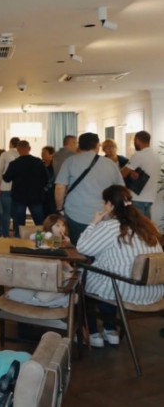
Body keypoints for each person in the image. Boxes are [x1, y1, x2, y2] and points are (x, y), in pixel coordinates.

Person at [77, 185, 164, 348]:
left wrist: (93, 223)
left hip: (127, 290)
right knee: (109, 273)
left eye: (104, 202)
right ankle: (110, 330)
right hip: (155, 291)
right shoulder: (148, 226)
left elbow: (83, 248)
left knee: (83, 278)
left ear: (110, 205)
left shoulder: (110, 226)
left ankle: (92, 333)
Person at [55, 133, 124, 244]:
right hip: (104, 215)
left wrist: (59, 208)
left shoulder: (70, 162)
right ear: (97, 145)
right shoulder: (110, 164)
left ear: (80, 145)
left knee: (77, 246)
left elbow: (59, 187)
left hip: (76, 213)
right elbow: (121, 189)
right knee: (100, 246)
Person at [3, 140, 47, 237]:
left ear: (18, 150)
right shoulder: (38, 162)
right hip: (36, 196)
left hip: (19, 197)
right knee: (39, 222)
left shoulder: (14, 164)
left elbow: (6, 178)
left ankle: (19, 240)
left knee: (19, 223)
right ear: (29, 148)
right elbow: (46, 178)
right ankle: (42, 239)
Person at [121, 131, 158, 218]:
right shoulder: (156, 156)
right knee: (145, 224)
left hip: (136, 198)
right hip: (150, 198)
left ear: (137, 140)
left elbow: (123, 174)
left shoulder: (139, 155)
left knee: (134, 223)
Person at [0, 137, 20, 237]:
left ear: (10, 144)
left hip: (5, 187)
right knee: (17, 214)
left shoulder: (5, 155)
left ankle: (5, 235)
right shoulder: (21, 155)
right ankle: (17, 234)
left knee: (6, 213)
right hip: (18, 189)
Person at [41, 146, 57, 217]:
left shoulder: (55, 166)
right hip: (41, 195)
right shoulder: (40, 165)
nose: (42, 154)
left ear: (51, 154)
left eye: (44, 153)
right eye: (42, 153)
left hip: (52, 194)